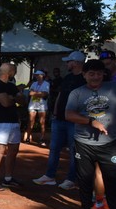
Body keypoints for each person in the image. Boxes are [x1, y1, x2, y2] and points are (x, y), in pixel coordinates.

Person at [65, 59, 116, 209]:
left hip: (109, 143)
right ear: (84, 75)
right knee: (85, 179)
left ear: (103, 74)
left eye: (98, 73)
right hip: (83, 143)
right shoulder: (77, 93)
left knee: (112, 180)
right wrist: (91, 122)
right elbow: (68, 114)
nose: (95, 77)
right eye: (91, 74)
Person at [34, 51, 86, 190]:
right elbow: (61, 95)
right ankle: (49, 176)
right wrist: (56, 112)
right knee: (54, 148)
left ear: (75, 63)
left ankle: (71, 179)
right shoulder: (67, 77)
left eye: (69, 61)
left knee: (74, 151)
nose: (67, 63)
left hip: (74, 121)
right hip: (60, 119)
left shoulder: (85, 78)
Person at [0, 62, 24, 190]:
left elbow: (22, 100)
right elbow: (5, 102)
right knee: (0, 152)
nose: (15, 72)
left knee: (13, 150)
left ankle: (8, 179)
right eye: (14, 70)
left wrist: (12, 98)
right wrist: (14, 98)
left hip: (13, 121)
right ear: (9, 72)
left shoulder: (11, 85)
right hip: (1, 122)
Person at [25, 70, 50, 145]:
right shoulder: (34, 83)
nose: (36, 76)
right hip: (32, 105)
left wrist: (35, 93)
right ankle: (28, 137)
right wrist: (39, 93)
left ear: (42, 76)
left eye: (38, 75)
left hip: (42, 105)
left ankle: (42, 138)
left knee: (42, 122)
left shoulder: (46, 84)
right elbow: (30, 93)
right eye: (36, 75)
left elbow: (45, 94)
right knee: (30, 121)